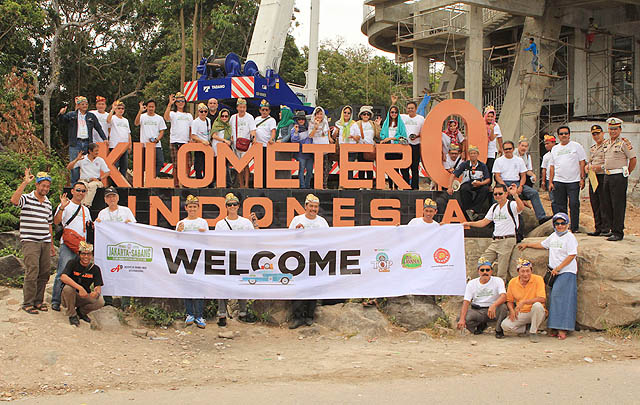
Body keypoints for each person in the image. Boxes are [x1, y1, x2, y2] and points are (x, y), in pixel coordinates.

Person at [519, 212, 578, 340]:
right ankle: (555, 327)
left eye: (563, 223)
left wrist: (559, 267)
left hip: (566, 271)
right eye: (557, 223)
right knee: (554, 297)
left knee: (563, 299)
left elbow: (572, 255)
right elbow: (543, 245)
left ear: (567, 224)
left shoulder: (570, 237)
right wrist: (528, 244)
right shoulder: (553, 236)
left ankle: (563, 328)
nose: (560, 226)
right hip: (554, 272)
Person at [11, 170, 55, 314]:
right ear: (37, 185)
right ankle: (28, 302)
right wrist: (24, 183)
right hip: (30, 240)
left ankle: (38, 301)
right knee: (32, 270)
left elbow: (49, 224)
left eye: (47, 186)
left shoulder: (48, 203)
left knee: (44, 272)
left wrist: (52, 244)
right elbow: (14, 201)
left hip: (45, 241)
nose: (45, 189)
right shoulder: (27, 198)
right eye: (43, 186)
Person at [214, 193, 259, 326]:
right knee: (222, 286)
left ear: (238, 206)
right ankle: (222, 314)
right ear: (226, 207)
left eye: (234, 204)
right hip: (226, 258)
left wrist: (255, 223)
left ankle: (243, 313)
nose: (232, 206)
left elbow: (255, 237)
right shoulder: (220, 224)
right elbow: (216, 242)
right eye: (229, 205)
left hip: (241, 257)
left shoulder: (245, 222)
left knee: (242, 284)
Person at [462, 184, 523, 279]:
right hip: (495, 241)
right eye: (495, 194)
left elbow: (521, 208)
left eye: (500, 193)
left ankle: (501, 291)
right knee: (482, 262)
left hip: (507, 239)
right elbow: (484, 222)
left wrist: (515, 195)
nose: (498, 196)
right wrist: (469, 224)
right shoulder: (494, 207)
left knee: (501, 270)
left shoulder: (511, 204)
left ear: (506, 194)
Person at [288, 194, 329, 329]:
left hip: (316, 258)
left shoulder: (322, 222)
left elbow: (329, 239)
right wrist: (296, 232)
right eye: (311, 206)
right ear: (306, 206)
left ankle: (309, 316)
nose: (313, 209)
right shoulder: (297, 220)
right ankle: (297, 317)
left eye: (316, 207)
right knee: (298, 287)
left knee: (313, 287)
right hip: (299, 258)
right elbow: (288, 237)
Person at [51, 183, 92, 312]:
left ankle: (72, 302)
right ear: (72, 191)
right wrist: (62, 208)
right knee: (62, 272)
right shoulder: (66, 205)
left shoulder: (86, 210)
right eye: (78, 190)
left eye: (83, 191)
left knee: (77, 275)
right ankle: (56, 301)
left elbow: (90, 226)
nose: (80, 193)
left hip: (81, 248)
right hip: (68, 245)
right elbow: (56, 221)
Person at [95, 186, 136, 308]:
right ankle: (108, 301)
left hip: (123, 249)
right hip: (108, 250)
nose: (111, 199)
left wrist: (130, 224)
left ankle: (125, 303)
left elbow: (135, 227)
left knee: (125, 274)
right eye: (108, 197)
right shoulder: (102, 213)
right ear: (105, 200)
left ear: (117, 198)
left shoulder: (125, 211)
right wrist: (97, 224)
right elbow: (98, 230)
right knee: (106, 273)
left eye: (113, 196)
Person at [493, 141, 550, 224]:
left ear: (513, 149)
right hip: (503, 182)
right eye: (506, 149)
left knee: (534, 193)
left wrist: (521, 186)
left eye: (510, 148)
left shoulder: (519, 160)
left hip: (517, 182)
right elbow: (497, 176)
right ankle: (496, 217)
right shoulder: (499, 161)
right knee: (497, 196)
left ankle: (541, 217)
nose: (508, 150)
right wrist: (505, 187)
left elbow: (523, 175)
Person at [601, 117, 637, 241]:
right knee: (607, 203)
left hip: (618, 176)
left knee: (618, 204)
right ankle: (612, 229)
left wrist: (627, 171)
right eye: (611, 129)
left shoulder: (623, 143)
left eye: (615, 129)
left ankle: (618, 231)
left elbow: (633, 159)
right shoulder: (606, 143)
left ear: (620, 129)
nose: (613, 131)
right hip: (607, 175)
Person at [58, 96, 107, 184]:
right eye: (82, 104)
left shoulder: (91, 116)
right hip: (75, 143)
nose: (85, 106)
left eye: (86, 104)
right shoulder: (72, 115)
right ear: (78, 105)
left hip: (88, 143)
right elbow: (62, 122)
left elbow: (98, 128)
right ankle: (75, 185)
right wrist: (61, 114)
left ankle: (87, 184)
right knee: (75, 165)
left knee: (88, 163)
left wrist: (104, 138)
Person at [176, 195, 208, 328]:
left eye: (195, 206)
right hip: (185, 256)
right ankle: (190, 314)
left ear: (198, 208)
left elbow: (208, 240)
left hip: (199, 257)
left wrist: (204, 233)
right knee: (187, 285)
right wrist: (178, 232)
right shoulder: (181, 223)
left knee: (199, 286)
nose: (192, 209)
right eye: (190, 207)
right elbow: (175, 241)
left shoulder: (203, 222)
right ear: (186, 208)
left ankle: (199, 315)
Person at [457, 257, 508, 338]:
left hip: (494, 310)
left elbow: (504, 296)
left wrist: (494, 305)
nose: (485, 272)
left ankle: (498, 329)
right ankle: (480, 326)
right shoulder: (471, 283)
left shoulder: (498, 280)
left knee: (503, 307)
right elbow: (466, 302)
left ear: (491, 271)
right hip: (478, 310)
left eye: (487, 270)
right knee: (462, 318)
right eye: (482, 270)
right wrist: (462, 319)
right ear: (478, 271)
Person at [549, 126, 586, 233]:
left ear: (569, 135)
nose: (564, 135)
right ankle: (562, 227)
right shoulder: (555, 149)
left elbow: (582, 162)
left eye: (566, 133)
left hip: (573, 181)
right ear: (558, 136)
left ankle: (575, 227)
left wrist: (582, 178)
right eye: (561, 134)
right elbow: (552, 166)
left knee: (574, 204)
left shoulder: (576, 146)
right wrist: (550, 182)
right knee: (560, 205)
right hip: (559, 181)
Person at [500, 258, 547, 343]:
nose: (525, 274)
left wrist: (524, 302)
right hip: (521, 312)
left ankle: (533, 332)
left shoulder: (538, 279)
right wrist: (511, 310)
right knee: (505, 326)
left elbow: (542, 299)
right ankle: (526, 329)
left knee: (537, 305)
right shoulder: (513, 282)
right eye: (522, 271)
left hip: (536, 312)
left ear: (531, 271)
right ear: (518, 272)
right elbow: (509, 300)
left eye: (528, 271)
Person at [60, 241, 105, 326]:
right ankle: (72, 314)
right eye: (83, 254)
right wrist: (80, 288)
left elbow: (98, 286)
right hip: (70, 296)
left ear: (91, 255)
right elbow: (63, 277)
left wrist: (96, 293)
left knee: (100, 301)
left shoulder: (95, 269)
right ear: (79, 255)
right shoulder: (72, 263)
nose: (86, 257)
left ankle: (80, 312)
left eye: (88, 254)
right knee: (68, 288)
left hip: (84, 296)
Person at [447, 145, 491, 220]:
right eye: (471, 153)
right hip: (468, 183)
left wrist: (480, 183)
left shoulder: (482, 165)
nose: (473, 155)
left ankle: (473, 210)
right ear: (469, 155)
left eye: (474, 153)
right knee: (464, 189)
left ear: (478, 154)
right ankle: (468, 210)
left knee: (485, 189)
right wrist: (450, 187)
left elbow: (488, 179)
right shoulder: (464, 164)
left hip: (479, 184)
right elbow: (453, 175)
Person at [66, 143, 110, 207]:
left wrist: (99, 179)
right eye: (96, 151)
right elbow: (69, 167)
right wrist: (77, 159)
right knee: (82, 187)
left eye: (98, 151)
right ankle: (79, 205)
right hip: (84, 180)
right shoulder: (82, 159)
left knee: (92, 185)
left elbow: (108, 172)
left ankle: (85, 205)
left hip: (96, 181)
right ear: (90, 151)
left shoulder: (100, 160)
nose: (97, 152)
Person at [164, 92, 193, 188]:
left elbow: (190, 128)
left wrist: (191, 139)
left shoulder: (189, 115)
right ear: (176, 103)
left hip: (186, 142)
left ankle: (186, 183)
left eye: (182, 101)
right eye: (178, 101)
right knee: (176, 164)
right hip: (175, 141)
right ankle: (176, 184)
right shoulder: (173, 113)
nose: (180, 103)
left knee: (188, 163)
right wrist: (169, 104)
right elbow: (166, 118)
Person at [135, 99, 167, 177]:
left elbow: (162, 131)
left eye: (152, 107)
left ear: (155, 107)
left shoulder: (159, 118)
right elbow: (136, 123)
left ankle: (152, 178)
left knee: (160, 162)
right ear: (147, 107)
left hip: (156, 145)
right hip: (144, 145)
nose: (151, 108)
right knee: (144, 164)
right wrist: (140, 111)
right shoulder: (142, 116)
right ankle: (145, 181)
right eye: (149, 107)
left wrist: (157, 139)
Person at [398, 97, 425, 189]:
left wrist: (416, 136)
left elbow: (424, 132)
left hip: (416, 145)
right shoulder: (403, 117)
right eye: (409, 108)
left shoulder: (421, 119)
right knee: (404, 166)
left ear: (416, 109)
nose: (410, 110)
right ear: (406, 109)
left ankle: (415, 187)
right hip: (404, 146)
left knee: (414, 167)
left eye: (412, 108)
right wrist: (393, 102)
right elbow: (392, 114)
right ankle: (406, 185)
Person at [380, 104, 408, 189]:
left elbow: (403, 136)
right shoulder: (386, 123)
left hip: (397, 149)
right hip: (388, 149)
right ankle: (390, 186)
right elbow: (382, 135)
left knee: (396, 168)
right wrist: (385, 139)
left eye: (396, 112)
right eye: (392, 112)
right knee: (389, 168)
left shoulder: (400, 123)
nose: (394, 114)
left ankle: (396, 186)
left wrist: (392, 138)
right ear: (389, 113)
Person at [230, 98, 256, 188]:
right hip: (236, 145)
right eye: (240, 107)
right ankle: (240, 184)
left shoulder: (250, 117)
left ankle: (246, 184)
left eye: (244, 107)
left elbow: (253, 130)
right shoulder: (233, 118)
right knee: (238, 166)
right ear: (237, 107)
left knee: (246, 165)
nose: (242, 109)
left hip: (246, 145)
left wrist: (253, 139)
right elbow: (230, 131)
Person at [586, 125, 607, 236]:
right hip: (593, 177)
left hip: (603, 176)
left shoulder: (608, 146)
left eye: (598, 133)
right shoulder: (593, 148)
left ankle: (605, 228)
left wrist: (599, 167)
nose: (596, 136)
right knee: (595, 202)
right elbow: (590, 160)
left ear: (603, 133)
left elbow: (609, 162)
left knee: (604, 202)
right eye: (594, 134)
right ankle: (598, 227)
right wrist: (588, 166)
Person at [352, 106, 380, 181]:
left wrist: (378, 125)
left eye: (368, 114)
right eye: (364, 114)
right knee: (361, 167)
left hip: (370, 148)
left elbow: (378, 136)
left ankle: (369, 185)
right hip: (360, 148)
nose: (366, 116)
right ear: (361, 115)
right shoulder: (357, 124)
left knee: (370, 168)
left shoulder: (373, 124)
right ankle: (362, 185)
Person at [106, 100, 132, 178]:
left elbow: (128, 133)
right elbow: (108, 120)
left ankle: (121, 185)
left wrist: (130, 144)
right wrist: (112, 110)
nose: (120, 110)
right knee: (114, 166)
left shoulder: (125, 120)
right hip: (114, 145)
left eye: (122, 108)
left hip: (124, 146)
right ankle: (113, 185)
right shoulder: (113, 118)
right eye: (119, 108)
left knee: (124, 167)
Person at [254, 100, 277, 187]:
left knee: (266, 166)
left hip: (267, 147)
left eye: (266, 110)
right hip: (258, 146)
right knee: (258, 167)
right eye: (263, 109)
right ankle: (258, 184)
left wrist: (272, 139)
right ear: (260, 110)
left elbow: (273, 131)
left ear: (269, 111)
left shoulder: (271, 120)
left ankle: (266, 184)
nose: (264, 111)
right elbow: (254, 131)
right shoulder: (256, 119)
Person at [333, 106, 359, 180]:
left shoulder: (354, 124)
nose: (346, 114)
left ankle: (349, 186)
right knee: (342, 167)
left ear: (351, 114)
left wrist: (353, 137)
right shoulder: (338, 123)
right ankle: (343, 185)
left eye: (348, 113)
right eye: (345, 112)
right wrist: (336, 132)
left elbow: (358, 137)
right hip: (341, 149)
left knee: (349, 168)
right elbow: (334, 137)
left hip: (351, 150)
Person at [210, 108, 234, 185]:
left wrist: (230, 141)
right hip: (216, 148)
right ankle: (216, 182)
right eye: (222, 116)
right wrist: (224, 140)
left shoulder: (229, 126)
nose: (224, 118)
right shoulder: (216, 124)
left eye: (226, 116)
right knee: (217, 165)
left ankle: (227, 183)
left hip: (225, 148)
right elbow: (214, 136)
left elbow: (231, 137)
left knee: (225, 165)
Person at [309, 106, 331, 188]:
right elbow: (310, 135)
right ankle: (317, 184)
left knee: (326, 167)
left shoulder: (325, 122)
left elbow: (328, 130)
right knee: (317, 167)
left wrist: (329, 137)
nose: (319, 116)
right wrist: (315, 127)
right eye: (317, 114)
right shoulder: (311, 123)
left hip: (325, 146)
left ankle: (324, 184)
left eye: (321, 114)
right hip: (316, 147)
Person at [292, 111, 313, 189]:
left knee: (310, 171)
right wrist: (296, 132)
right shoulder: (294, 129)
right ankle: (302, 186)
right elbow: (293, 140)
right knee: (301, 170)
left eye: (303, 119)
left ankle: (307, 186)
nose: (301, 121)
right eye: (299, 119)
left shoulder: (309, 129)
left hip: (309, 153)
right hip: (300, 153)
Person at [190, 103, 211, 180]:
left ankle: (207, 182)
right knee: (198, 165)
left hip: (207, 147)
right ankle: (199, 181)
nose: (203, 113)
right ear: (198, 112)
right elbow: (193, 135)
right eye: (201, 111)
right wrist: (202, 141)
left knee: (207, 166)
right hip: (199, 147)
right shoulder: (195, 122)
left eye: (205, 111)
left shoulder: (208, 120)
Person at [275, 106, 295, 180]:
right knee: (277, 165)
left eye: (281, 112)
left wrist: (282, 141)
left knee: (285, 166)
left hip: (285, 147)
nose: (279, 114)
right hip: (277, 146)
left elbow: (289, 134)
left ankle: (285, 183)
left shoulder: (290, 122)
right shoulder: (280, 123)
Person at [484, 106, 503, 175]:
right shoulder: (482, 124)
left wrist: (501, 148)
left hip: (491, 152)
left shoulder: (495, 126)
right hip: (482, 150)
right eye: (488, 116)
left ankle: (489, 185)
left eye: (492, 116)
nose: (490, 118)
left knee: (489, 169)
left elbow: (495, 138)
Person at [540, 133, 557, 205]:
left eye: (548, 143)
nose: (546, 146)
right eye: (545, 144)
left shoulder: (558, 153)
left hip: (558, 178)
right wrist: (543, 181)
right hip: (549, 179)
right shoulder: (546, 156)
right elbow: (544, 169)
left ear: (553, 143)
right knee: (553, 199)